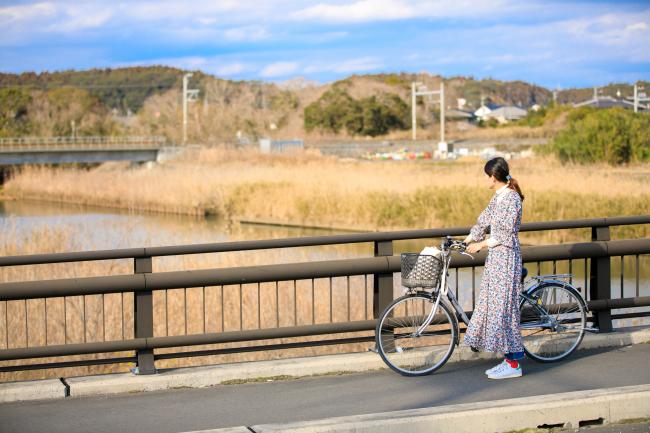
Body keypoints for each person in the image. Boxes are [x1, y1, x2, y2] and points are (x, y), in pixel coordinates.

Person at [463, 157, 525, 379]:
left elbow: (504, 234)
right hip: (496, 260)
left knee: (504, 310)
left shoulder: (511, 199)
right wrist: (468, 238)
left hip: (506, 258)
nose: (486, 179)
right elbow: (484, 220)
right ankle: (508, 360)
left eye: (487, 175)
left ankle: (513, 364)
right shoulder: (499, 197)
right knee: (496, 307)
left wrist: (480, 244)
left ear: (494, 177)